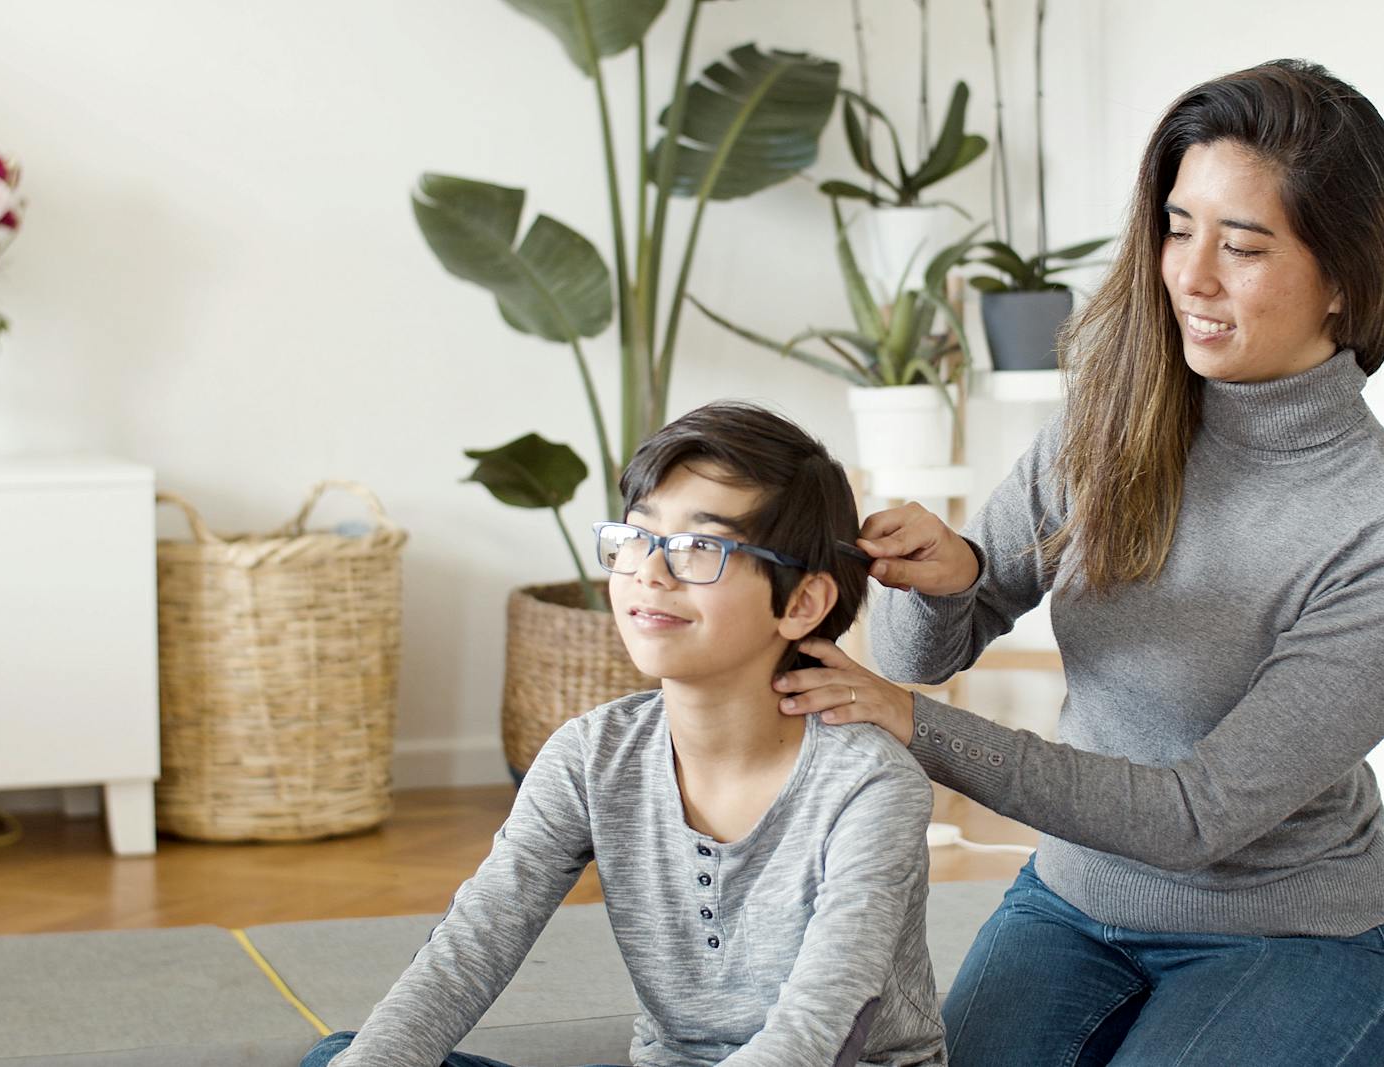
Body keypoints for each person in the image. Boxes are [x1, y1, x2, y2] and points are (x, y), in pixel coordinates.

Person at [773, 59, 1384, 1066]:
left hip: (1293, 935)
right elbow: (928, 651)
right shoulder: (1112, 414)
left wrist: (912, 726)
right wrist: (949, 573)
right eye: (1177, 228)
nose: (1191, 274)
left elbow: (1195, 816)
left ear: (1346, 275)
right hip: (1071, 902)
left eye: (1242, 244)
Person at [304, 401, 944, 1067]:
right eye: (637, 537)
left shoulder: (869, 783)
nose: (650, 572)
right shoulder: (590, 755)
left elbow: (821, 1023)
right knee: (347, 1055)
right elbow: (472, 945)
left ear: (801, 602)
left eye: (701, 546)